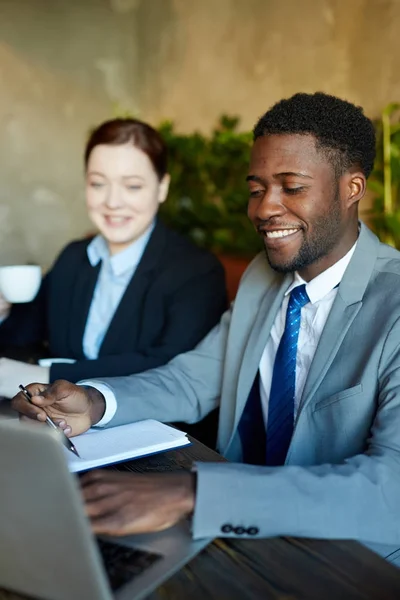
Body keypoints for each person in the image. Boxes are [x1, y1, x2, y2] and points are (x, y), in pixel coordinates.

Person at [13, 93, 400, 567]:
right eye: (256, 189)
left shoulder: (394, 303)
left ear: (352, 188)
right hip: (237, 533)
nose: (263, 209)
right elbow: (194, 378)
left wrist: (195, 493)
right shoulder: (264, 276)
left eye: (291, 187)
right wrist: (95, 401)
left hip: (352, 559)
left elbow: (390, 490)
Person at [0, 118, 227, 398]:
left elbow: (171, 368)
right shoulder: (74, 257)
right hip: (55, 426)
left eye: (132, 186)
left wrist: (50, 376)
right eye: (98, 184)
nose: (112, 202)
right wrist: (3, 312)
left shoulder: (197, 272)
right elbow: (21, 336)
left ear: (162, 187)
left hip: (153, 432)